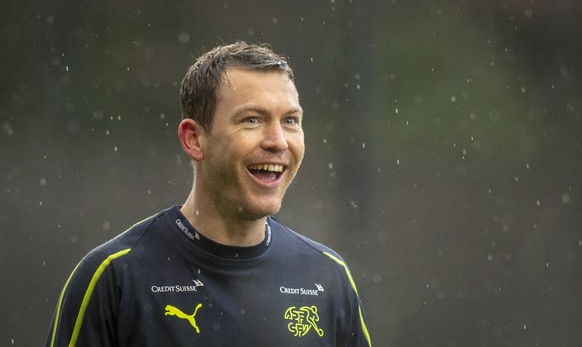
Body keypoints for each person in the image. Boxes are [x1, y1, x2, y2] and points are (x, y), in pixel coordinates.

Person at [45, 41, 372, 346]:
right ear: (194, 140)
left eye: (290, 120)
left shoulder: (328, 277)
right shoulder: (115, 277)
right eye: (252, 119)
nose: (278, 141)